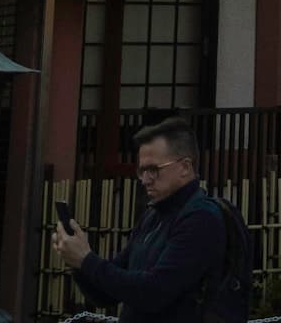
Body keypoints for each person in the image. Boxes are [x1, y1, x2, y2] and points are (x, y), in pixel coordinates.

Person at [52, 116, 228, 323]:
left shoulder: (201, 218)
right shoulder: (153, 216)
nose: (145, 180)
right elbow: (106, 294)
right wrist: (77, 261)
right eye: (142, 170)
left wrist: (86, 259)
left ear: (185, 167)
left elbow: (154, 292)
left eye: (154, 169)